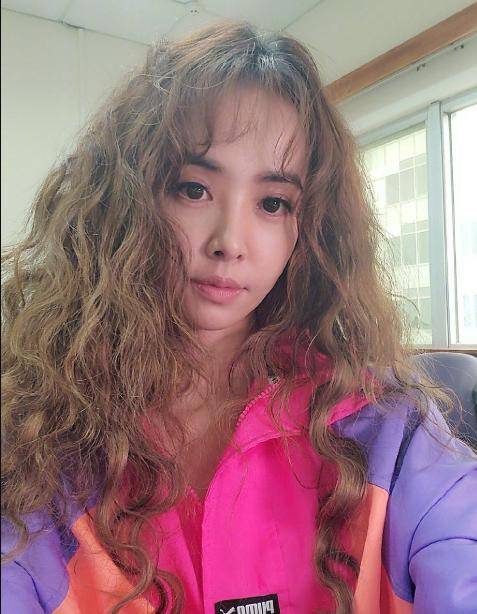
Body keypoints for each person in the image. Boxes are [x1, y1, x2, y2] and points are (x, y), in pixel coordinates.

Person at [1, 21, 476, 614]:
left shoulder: (386, 428)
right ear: (127, 202)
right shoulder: (40, 445)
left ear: (310, 230)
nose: (230, 241)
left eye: (273, 203)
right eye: (193, 189)